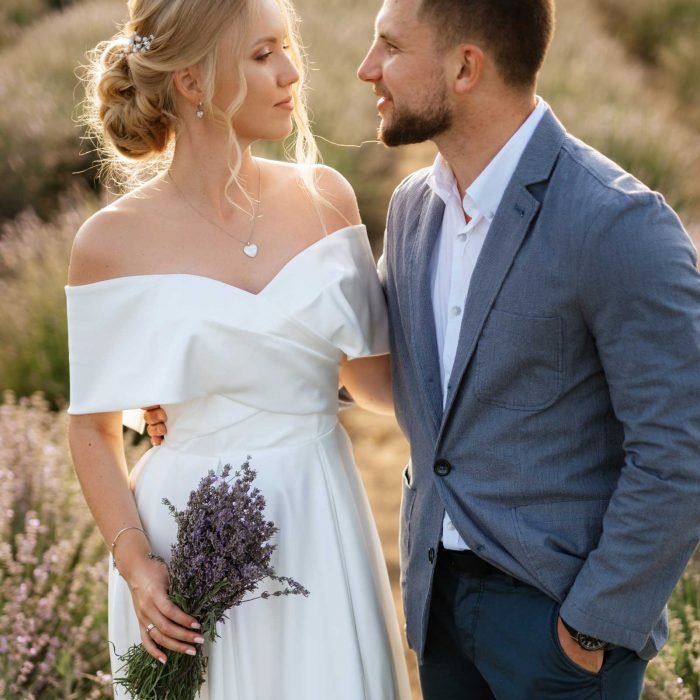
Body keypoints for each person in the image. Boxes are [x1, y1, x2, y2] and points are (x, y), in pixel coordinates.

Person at [66, 0, 411, 698]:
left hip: (320, 510)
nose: (291, 73)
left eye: (287, 49)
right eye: (262, 55)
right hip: (186, 543)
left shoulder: (326, 198)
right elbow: (93, 429)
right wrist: (138, 564)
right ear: (192, 83)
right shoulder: (107, 245)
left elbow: (379, 383)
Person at [355, 0, 700, 698]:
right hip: (438, 610)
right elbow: (383, 366)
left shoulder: (617, 223)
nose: (367, 70)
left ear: (464, 67)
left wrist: (592, 628)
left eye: (389, 46)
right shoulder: (412, 209)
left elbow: (680, 447)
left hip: (557, 633)